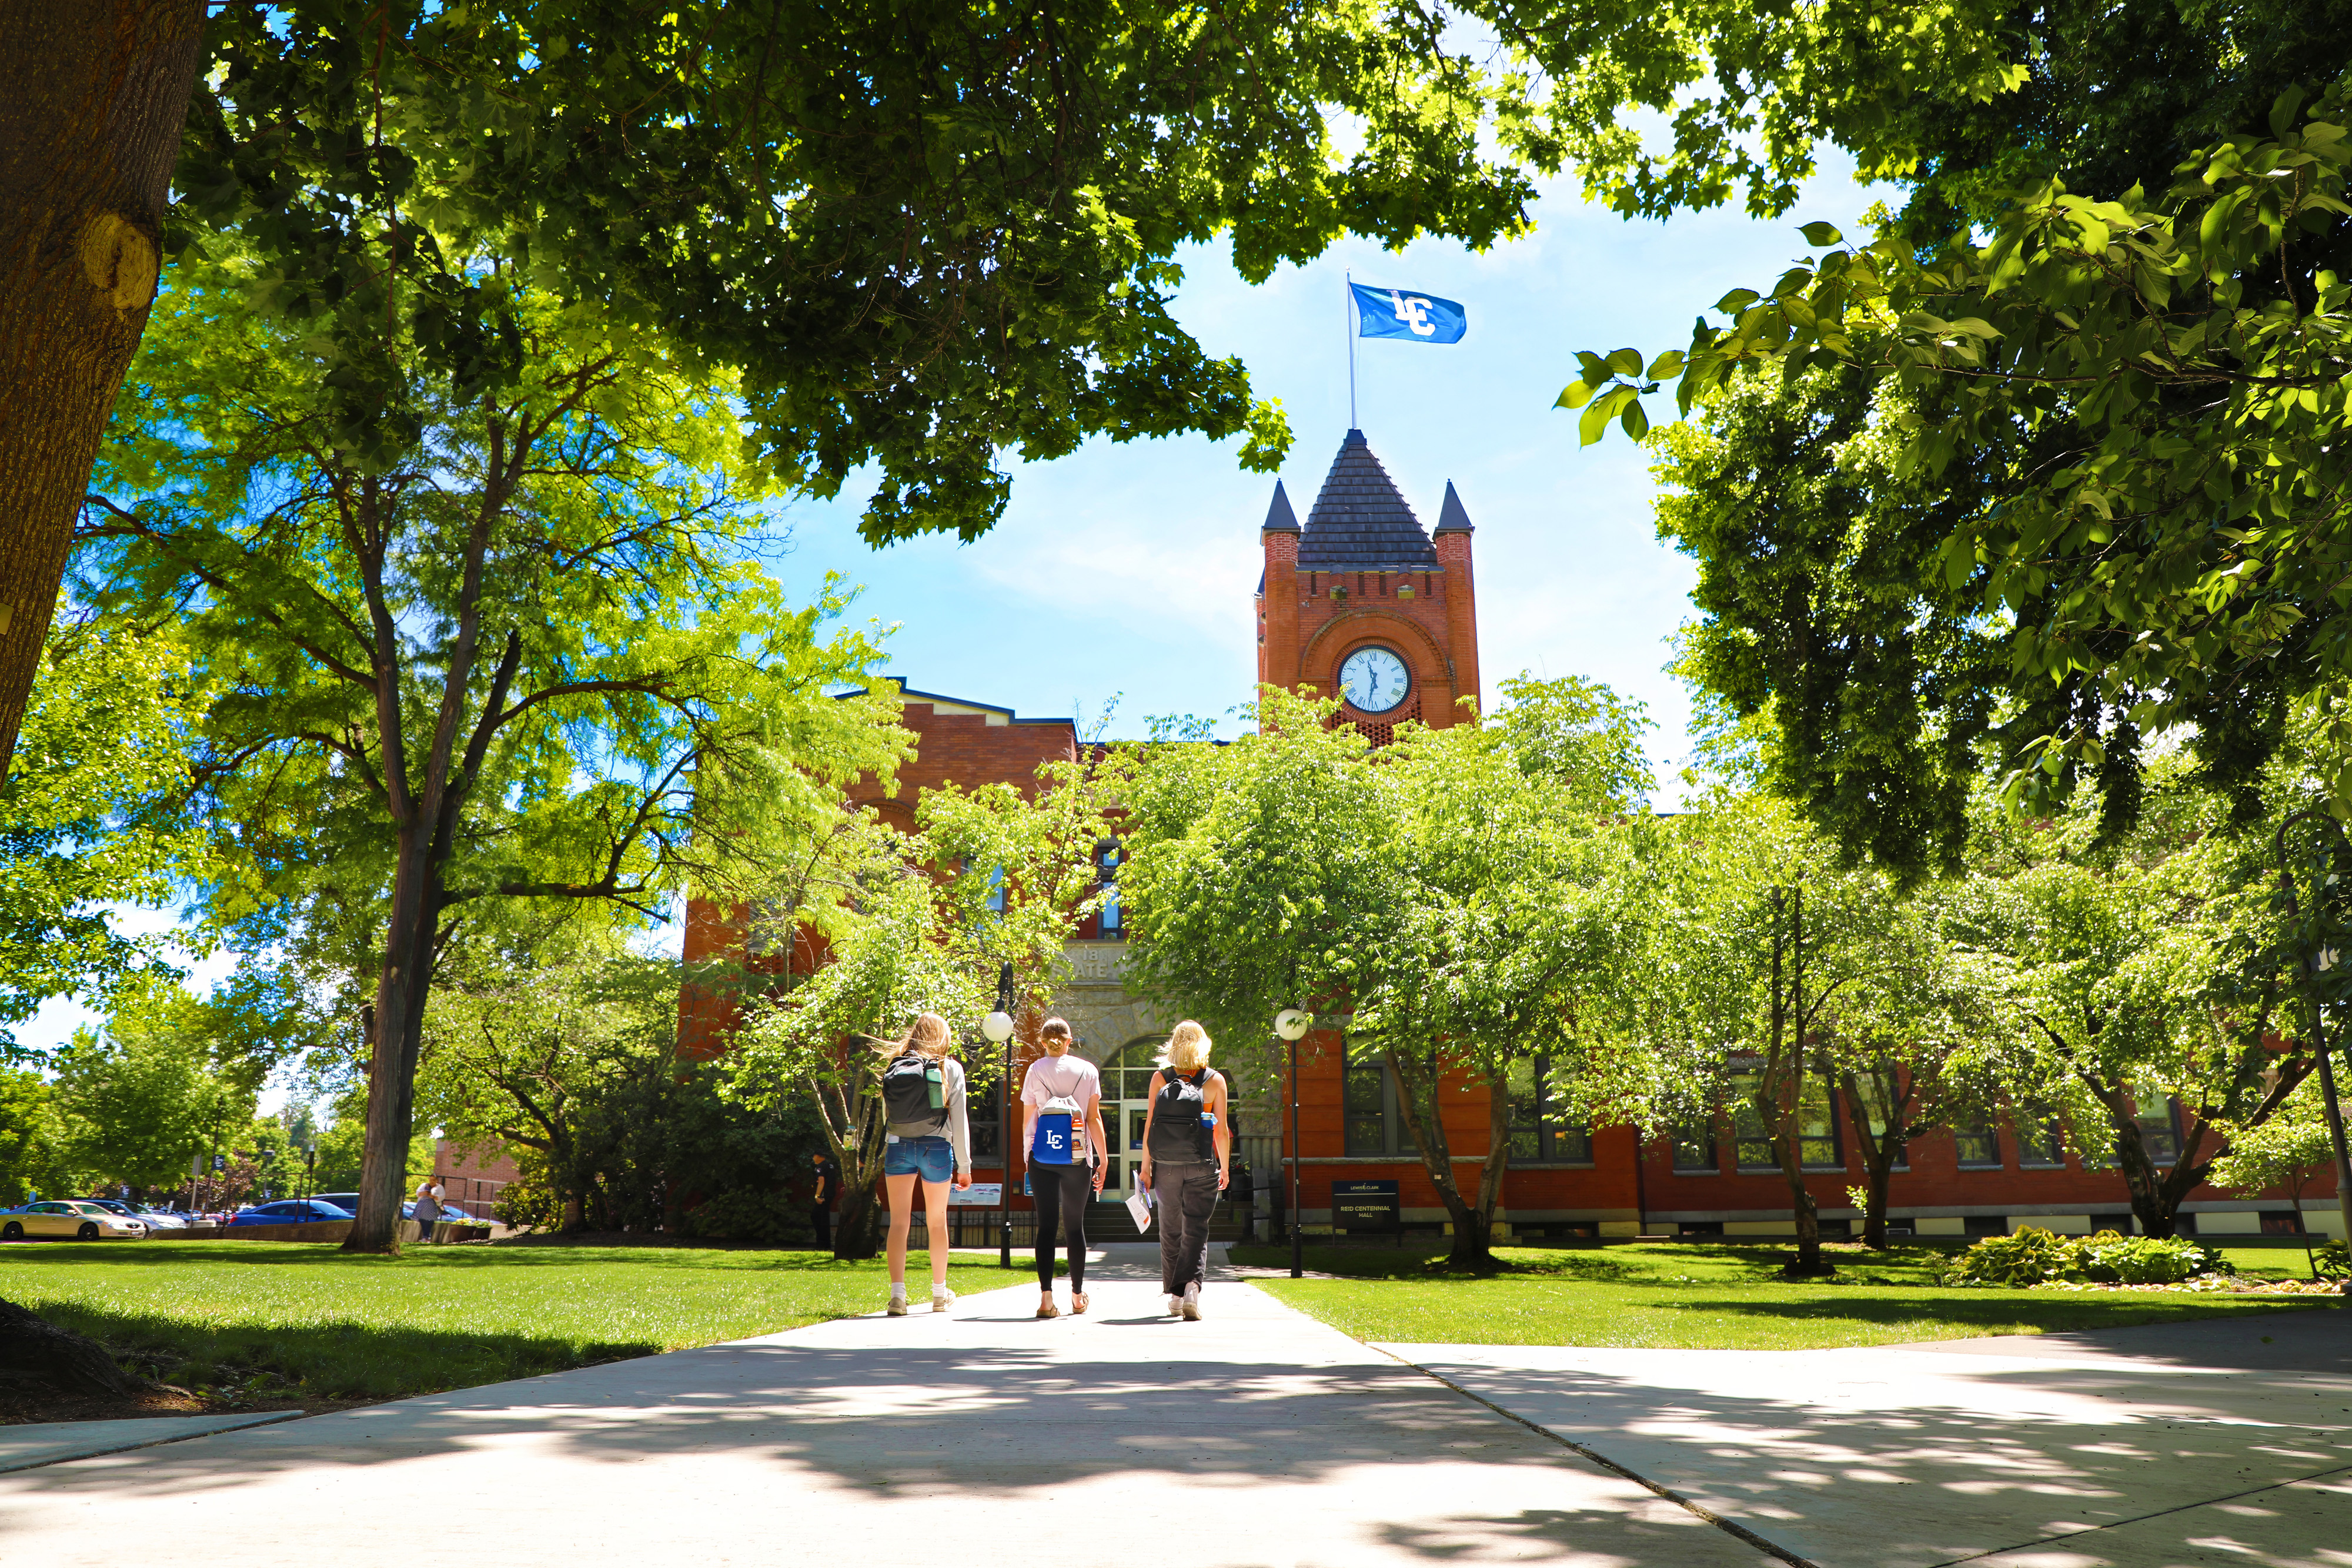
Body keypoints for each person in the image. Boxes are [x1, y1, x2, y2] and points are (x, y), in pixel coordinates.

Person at [878, 1011, 972, 1315]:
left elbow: (887, 1116)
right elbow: (959, 1121)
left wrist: (893, 1142)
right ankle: (939, 1294)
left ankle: (897, 1296)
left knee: (899, 1222)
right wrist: (965, 1166)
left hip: (898, 1145)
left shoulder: (895, 1066)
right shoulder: (951, 1068)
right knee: (936, 1221)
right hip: (937, 1148)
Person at [1137, 1019, 1228, 1320]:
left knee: (1171, 1230)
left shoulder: (1160, 1079)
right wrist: (1225, 1167)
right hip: (1203, 1165)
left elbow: (1150, 1125)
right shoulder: (1215, 1081)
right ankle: (1191, 1289)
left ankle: (1175, 1297)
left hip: (1167, 1168)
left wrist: (1146, 1167)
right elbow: (1222, 1131)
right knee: (1197, 1229)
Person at [1019, 1017, 1108, 1318]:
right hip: (1077, 1156)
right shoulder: (1088, 1070)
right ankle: (1077, 1296)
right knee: (1074, 1226)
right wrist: (1102, 1159)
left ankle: (1046, 1299)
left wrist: (1027, 1154)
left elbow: (1029, 1118)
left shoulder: (1034, 1070)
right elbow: (1093, 1118)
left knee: (1045, 1227)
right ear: (1070, 1040)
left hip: (1042, 1156)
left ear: (1042, 1042)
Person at [810, 1150, 839, 1251]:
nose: (813, 1159)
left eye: (814, 1156)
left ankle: (822, 1244)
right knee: (823, 1217)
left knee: (817, 1217)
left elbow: (821, 1181)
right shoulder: (830, 1166)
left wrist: (817, 1196)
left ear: (818, 1156)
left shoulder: (821, 1167)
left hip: (823, 1195)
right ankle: (824, 1244)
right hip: (830, 1194)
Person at [412, 1179, 441, 1245]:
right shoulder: (424, 1186)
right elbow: (419, 1194)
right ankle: (426, 1237)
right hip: (423, 1206)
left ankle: (427, 1237)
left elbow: (438, 1198)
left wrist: (431, 1195)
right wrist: (427, 1193)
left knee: (430, 1221)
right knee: (423, 1220)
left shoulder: (438, 1189)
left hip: (432, 1207)